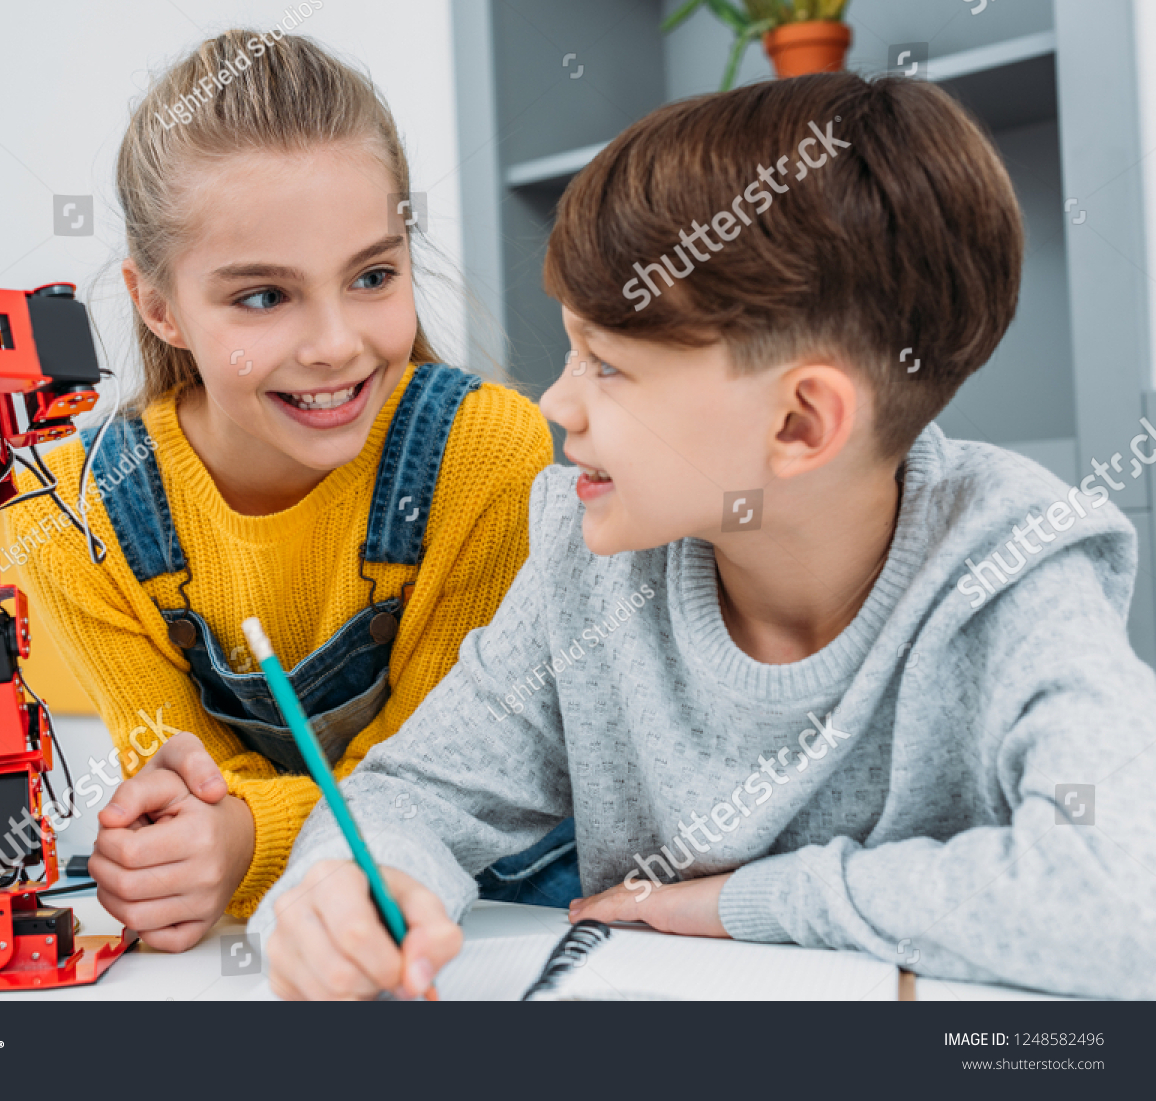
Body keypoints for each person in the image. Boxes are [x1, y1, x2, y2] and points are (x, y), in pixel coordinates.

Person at [250, 71, 1156, 1000]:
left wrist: (753, 902)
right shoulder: (587, 555)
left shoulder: (1014, 566)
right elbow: (411, 795)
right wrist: (351, 887)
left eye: (608, 365)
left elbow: (1127, 898)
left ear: (801, 423)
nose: (557, 403)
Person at [0, 29, 558, 951]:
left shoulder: (488, 452)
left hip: (499, 911)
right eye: (264, 296)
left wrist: (247, 837)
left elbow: (449, 787)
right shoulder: (70, 511)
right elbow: (185, 793)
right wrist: (183, 847)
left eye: (373, 275)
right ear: (158, 306)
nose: (337, 343)